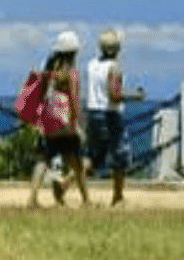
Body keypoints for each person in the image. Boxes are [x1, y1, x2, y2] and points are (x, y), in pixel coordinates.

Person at [85, 28, 148, 204]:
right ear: (118, 48)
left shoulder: (91, 65)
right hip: (110, 115)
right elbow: (114, 95)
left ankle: (66, 182)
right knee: (120, 155)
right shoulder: (114, 68)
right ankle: (118, 196)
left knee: (93, 156)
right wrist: (135, 96)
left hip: (92, 113)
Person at [29, 30, 91, 207]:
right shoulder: (71, 73)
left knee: (43, 158)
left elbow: (41, 93)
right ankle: (86, 200)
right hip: (65, 121)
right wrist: (79, 124)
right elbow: (74, 100)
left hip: (49, 119)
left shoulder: (51, 70)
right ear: (74, 53)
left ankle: (32, 198)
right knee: (76, 161)